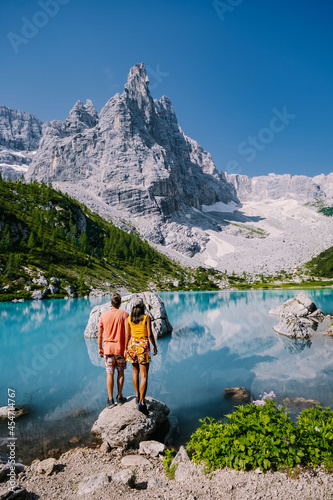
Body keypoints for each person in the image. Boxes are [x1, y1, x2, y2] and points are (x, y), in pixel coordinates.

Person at [125, 297, 158, 415]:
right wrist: (154, 346)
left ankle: (137, 396)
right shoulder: (146, 318)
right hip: (143, 345)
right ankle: (142, 403)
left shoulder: (128, 319)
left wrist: (125, 349)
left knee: (135, 372)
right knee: (144, 375)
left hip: (132, 346)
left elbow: (127, 336)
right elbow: (149, 334)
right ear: (143, 306)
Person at [98, 293, 129, 409]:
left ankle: (110, 400)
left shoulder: (103, 316)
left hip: (108, 350)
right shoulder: (125, 315)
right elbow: (127, 334)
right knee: (121, 372)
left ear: (111, 303)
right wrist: (126, 348)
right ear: (120, 303)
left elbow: (100, 334)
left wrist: (100, 348)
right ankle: (120, 397)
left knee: (109, 373)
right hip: (120, 350)